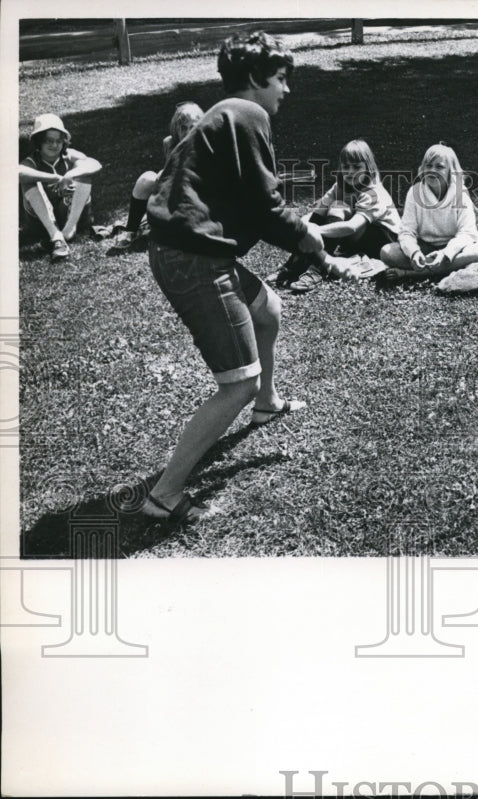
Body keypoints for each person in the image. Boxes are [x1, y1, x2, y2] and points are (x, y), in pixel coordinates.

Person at [141, 31, 324, 523]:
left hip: (183, 250)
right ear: (253, 79)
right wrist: (309, 238)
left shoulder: (222, 114)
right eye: (281, 79)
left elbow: (244, 201)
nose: (286, 90)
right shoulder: (247, 114)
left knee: (269, 308)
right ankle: (165, 495)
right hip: (193, 258)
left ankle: (267, 404)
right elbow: (266, 208)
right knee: (236, 382)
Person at [271, 138, 402, 292]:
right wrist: (307, 227)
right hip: (358, 237)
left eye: (356, 167)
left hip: (383, 240)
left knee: (333, 211)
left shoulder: (374, 192)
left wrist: (314, 231)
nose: (350, 172)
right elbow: (318, 213)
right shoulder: (340, 185)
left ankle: (318, 270)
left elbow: (351, 227)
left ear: (368, 167)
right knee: (328, 211)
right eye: (346, 167)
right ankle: (294, 265)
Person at [379, 143, 478, 280]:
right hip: (424, 247)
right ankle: (442, 270)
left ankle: (413, 274)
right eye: (428, 165)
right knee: (387, 252)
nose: (432, 170)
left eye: (439, 167)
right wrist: (414, 252)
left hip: (452, 250)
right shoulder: (415, 192)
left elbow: (467, 233)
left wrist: (445, 253)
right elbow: (407, 231)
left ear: (451, 171)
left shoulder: (460, 194)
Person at [107, 102, 205, 254]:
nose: (187, 132)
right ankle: (131, 230)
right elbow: (169, 172)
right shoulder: (170, 143)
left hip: (196, 198)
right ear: (175, 128)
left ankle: (162, 226)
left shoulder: (204, 144)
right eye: (183, 128)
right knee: (147, 178)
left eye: (192, 127)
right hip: (173, 193)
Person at [18, 113, 102, 260]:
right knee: (28, 181)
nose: (54, 145)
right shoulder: (33, 160)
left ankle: (68, 231)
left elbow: (95, 164)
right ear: (39, 141)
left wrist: (70, 175)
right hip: (42, 224)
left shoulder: (68, 155)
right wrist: (55, 178)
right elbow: (18, 172)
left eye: (59, 141)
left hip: (72, 218)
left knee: (84, 172)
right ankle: (55, 235)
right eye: (48, 141)